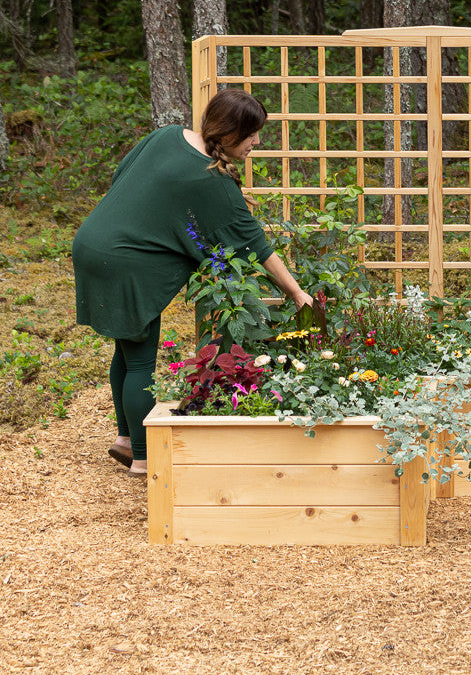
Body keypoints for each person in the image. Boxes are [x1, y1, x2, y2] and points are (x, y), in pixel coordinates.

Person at [72, 89, 311, 477]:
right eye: (252, 134)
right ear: (232, 131)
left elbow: (122, 175)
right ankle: (144, 459)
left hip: (92, 241)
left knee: (127, 349)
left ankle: (125, 439)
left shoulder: (166, 135)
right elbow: (257, 246)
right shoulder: (210, 181)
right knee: (141, 361)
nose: (257, 143)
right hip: (126, 261)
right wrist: (297, 292)